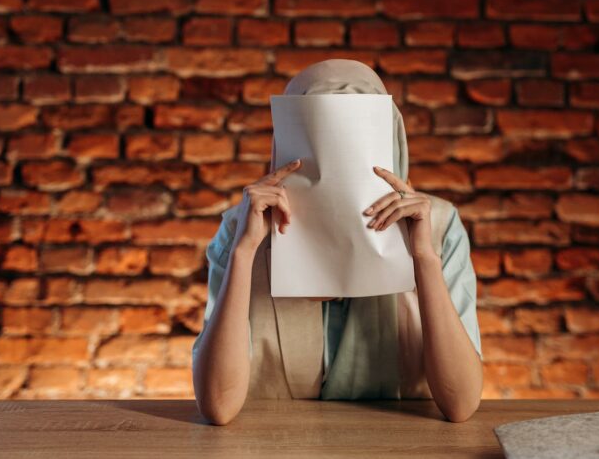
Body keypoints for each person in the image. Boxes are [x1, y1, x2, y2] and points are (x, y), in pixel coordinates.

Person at [192, 59, 483, 426]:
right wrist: (245, 252)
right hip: (275, 442)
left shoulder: (439, 226)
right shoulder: (242, 230)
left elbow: (461, 405)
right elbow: (217, 406)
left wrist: (423, 258)